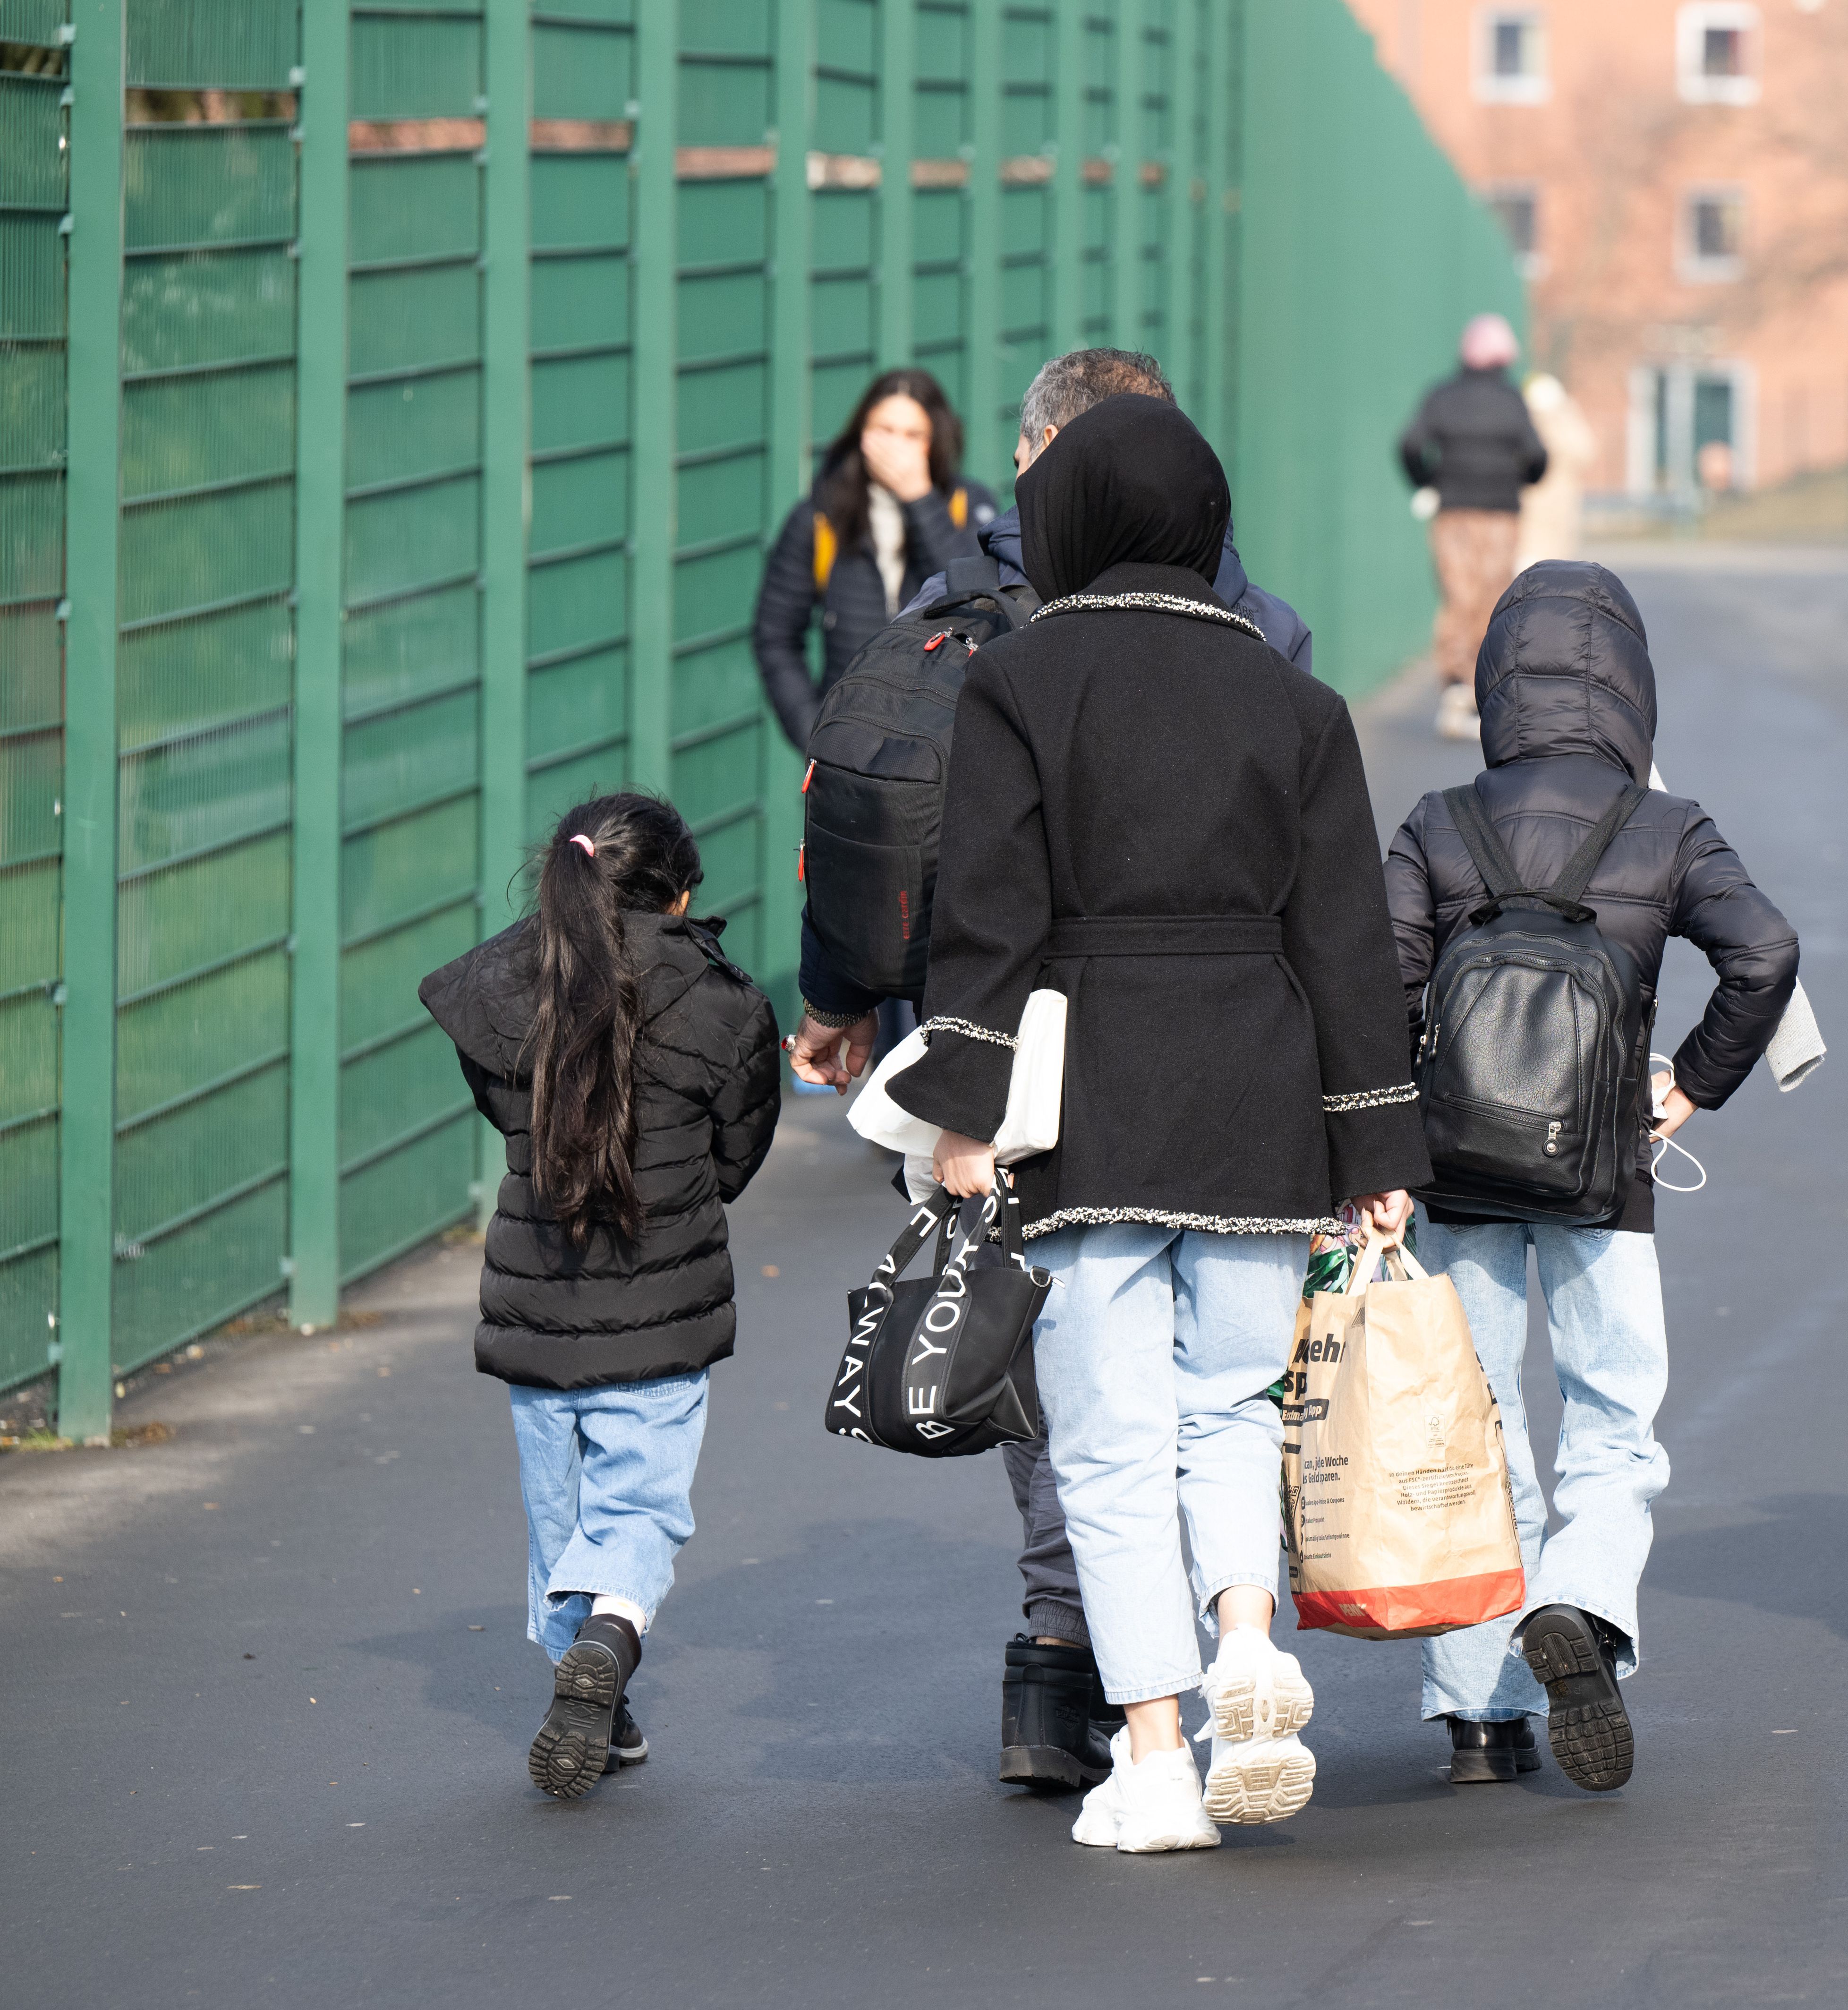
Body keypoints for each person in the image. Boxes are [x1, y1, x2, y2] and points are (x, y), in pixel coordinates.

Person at [890, 394, 1431, 1854]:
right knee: (1233, 1405)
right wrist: (1374, 1147)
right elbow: (1342, 940)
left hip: (1091, 1105)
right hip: (1258, 1094)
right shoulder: (1294, 704)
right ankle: (1250, 1636)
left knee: (1113, 1439)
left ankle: (1153, 1750)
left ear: (1067, 522)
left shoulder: (1021, 681)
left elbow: (987, 911)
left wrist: (964, 1106)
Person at [781, 344, 1324, 1796]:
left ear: (1033, 459)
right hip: (1230, 1051)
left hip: (995, 1033)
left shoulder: (960, 618)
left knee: (1067, 1375)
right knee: (1216, 1392)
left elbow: (880, 820)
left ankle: (1056, 1660)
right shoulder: (1252, 627)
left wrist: (849, 1008)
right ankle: (1222, 1641)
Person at [1384, 560, 1798, 1791]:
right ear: (1629, 683)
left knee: (1480, 1422)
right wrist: (1689, 1087)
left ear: (1495, 678)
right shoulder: (1666, 827)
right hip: (1603, 1168)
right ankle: (1578, 1598)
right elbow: (1764, 951)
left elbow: (1374, 980)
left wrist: (1401, 1125)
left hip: (1455, 1168)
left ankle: (1477, 1712)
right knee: (1614, 1420)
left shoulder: (1436, 819)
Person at [417, 793, 781, 1798]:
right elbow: (738, 1151)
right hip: (660, 1310)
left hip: (537, 1309)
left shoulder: (516, 985)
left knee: (559, 1518)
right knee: (640, 1509)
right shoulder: (723, 1000)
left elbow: (500, 1096)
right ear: (682, 894)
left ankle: (597, 1703)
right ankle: (612, 1645)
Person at [970, 346, 1313, 670]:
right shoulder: (1276, 629)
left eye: (1021, 462)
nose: (1021, 487)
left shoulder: (964, 608)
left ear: (1051, 447)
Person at [752, 367, 1001, 749]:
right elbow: (775, 636)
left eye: (913, 435)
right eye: (883, 430)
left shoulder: (969, 506)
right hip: (850, 747)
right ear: (861, 435)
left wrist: (919, 497)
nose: (896, 447)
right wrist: (814, 732)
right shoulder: (820, 517)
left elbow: (979, 596)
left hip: (944, 745)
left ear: (936, 441)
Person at [1402, 315, 1548, 741]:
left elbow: (1411, 445)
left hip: (1453, 511)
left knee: (1457, 593)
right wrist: (1521, 480)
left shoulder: (1441, 397)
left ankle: (1454, 686)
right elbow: (1537, 456)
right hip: (1501, 512)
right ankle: (1482, 690)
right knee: (1492, 595)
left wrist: (1428, 480)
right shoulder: (1512, 401)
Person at [1515, 372, 1596, 572]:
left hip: (1559, 509)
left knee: (1556, 566)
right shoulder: (1526, 426)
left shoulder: (1566, 425)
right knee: (1530, 565)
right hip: (1532, 512)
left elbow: (1584, 452)